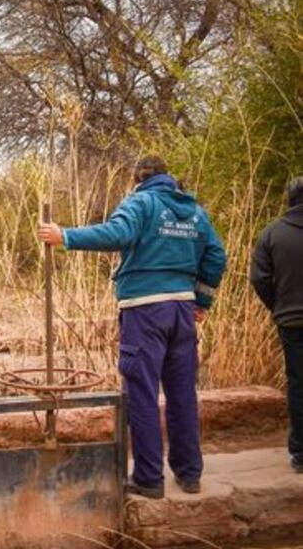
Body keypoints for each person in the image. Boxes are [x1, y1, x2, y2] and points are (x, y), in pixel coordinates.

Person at [38, 155, 228, 499]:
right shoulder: (196, 211)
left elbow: (119, 233)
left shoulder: (141, 201)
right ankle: (189, 475)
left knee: (141, 394)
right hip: (182, 312)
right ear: (170, 179)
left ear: (138, 179)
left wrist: (64, 236)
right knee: (182, 394)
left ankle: (148, 479)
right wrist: (201, 301)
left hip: (144, 311)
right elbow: (216, 256)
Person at [250, 176, 303, 474]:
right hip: (290, 315)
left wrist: (278, 306)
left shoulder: (273, 233)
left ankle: (301, 453)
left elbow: (259, 278)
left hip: (292, 319)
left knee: (298, 383)